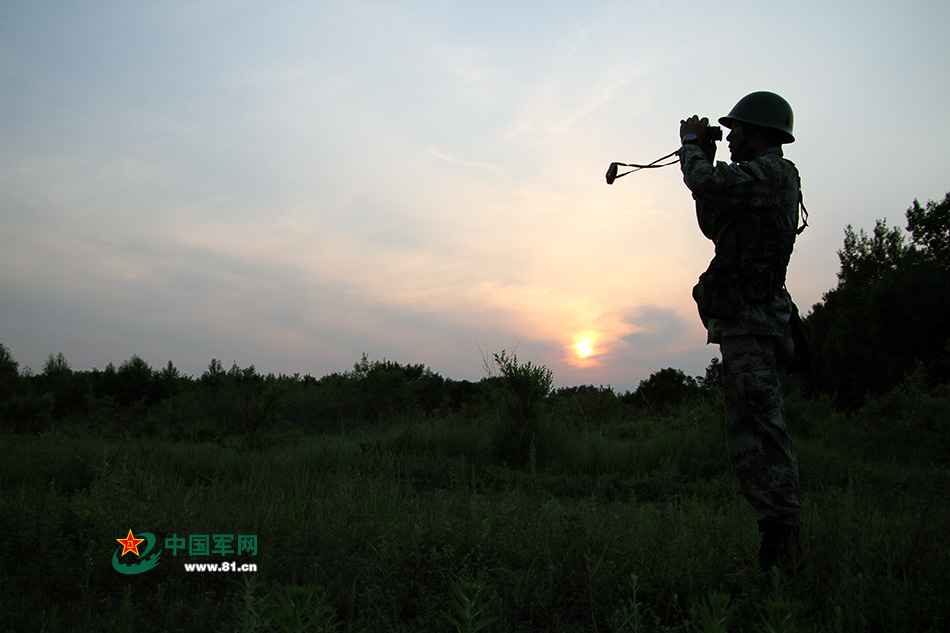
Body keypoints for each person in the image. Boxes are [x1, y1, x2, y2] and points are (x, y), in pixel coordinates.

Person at [678, 91, 805, 576]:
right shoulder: (757, 181)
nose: (730, 139)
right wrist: (704, 156)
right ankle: (775, 545)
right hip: (745, 324)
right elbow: (713, 218)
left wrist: (693, 146)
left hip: (755, 323)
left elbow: (706, 182)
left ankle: (782, 548)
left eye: (737, 132)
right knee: (750, 433)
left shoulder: (774, 173)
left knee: (763, 433)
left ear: (759, 134)